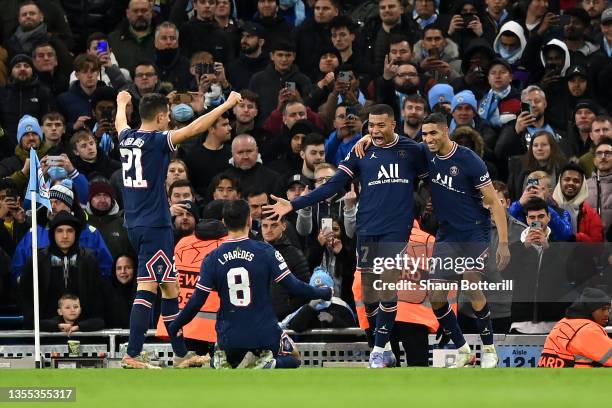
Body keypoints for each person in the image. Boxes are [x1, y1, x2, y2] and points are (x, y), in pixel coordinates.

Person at [265, 104, 427, 368]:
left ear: (394, 125)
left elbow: (434, 176)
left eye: (381, 125)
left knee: (387, 285)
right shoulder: (361, 151)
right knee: (370, 292)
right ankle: (382, 346)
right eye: (371, 126)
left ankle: (379, 348)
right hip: (367, 228)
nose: (375, 130)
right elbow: (334, 183)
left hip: (395, 229)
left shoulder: (412, 150)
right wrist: (295, 204)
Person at [115, 88, 242, 369]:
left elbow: (120, 123)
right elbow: (196, 127)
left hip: (135, 223)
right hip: (155, 226)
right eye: (168, 117)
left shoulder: (127, 138)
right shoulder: (158, 141)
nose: (169, 122)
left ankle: (181, 353)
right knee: (148, 287)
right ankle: (132, 353)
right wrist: (227, 104)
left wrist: (121, 102)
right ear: (161, 117)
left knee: (170, 289)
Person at [168, 200, 332, 369]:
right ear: (249, 221)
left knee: (226, 358)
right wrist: (324, 293)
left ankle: (220, 361)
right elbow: (295, 286)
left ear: (224, 222)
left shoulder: (212, 258)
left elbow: (196, 301)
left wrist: (175, 325)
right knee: (294, 358)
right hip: (264, 335)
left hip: (229, 338)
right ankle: (269, 363)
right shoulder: (266, 252)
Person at [538, 288, 612, 368]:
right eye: (603, 309)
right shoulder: (588, 330)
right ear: (590, 309)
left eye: (608, 309)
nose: (607, 314)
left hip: (548, 378)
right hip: (581, 378)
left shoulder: (563, 323)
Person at [40, 293, 105, 333]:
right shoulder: (56, 320)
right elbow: (40, 324)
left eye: (76, 307)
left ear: (80, 310)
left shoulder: (84, 320)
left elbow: (100, 322)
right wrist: (59, 326)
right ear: (60, 312)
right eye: (67, 307)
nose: (72, 310)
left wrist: (78, 327)